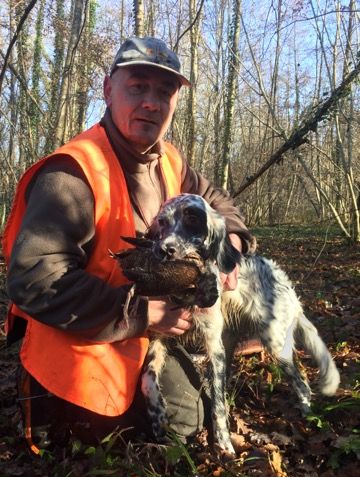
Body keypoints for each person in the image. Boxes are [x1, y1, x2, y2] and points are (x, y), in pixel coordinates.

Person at [3, 37, 257, 453]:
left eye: (164, 92)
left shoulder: (169, 160)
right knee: (164, 426)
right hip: (82, 332)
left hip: (149, 326)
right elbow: (34, 279)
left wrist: (230, 240)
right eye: (137, 87)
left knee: (184, 416)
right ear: (108, 90)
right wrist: (142, 314)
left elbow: (218, 202)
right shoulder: (73, 173)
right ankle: (54, 409)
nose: (152, 103)